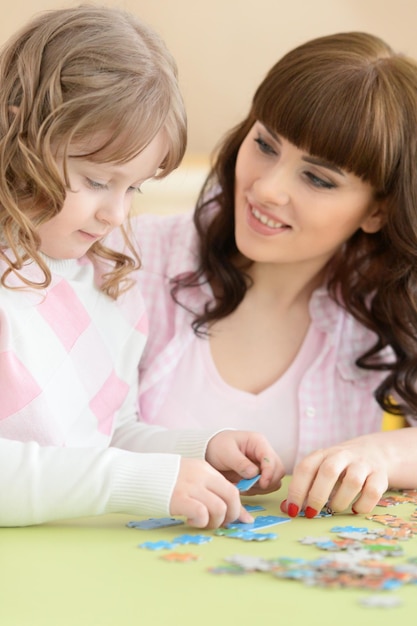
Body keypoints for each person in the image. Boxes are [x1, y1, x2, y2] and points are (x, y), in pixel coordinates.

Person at [0, 4, 284, 528]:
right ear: (18, 132)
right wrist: (132, 481)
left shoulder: (107, 283)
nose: (116, 213)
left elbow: (107, 434)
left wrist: (198, 451)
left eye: (134, 187)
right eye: (96, 181)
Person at [118, 31, 417, 519]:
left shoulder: (383, 298)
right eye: (265, 144)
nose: (267, 188)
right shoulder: (133, 258)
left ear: (378, 211)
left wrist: (379, 454)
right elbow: (60, 440)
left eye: (318, 178)